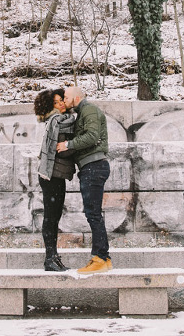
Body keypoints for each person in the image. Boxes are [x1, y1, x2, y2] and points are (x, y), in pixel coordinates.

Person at [56, 86, 112, 274]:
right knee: (93, 213)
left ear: (77, 97)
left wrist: (67, 144)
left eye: (66, 97)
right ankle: (103, 258)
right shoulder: (81, 113)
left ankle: (100, 258)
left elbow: (91, 136)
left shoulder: (89, 110)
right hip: (90, 167)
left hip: (94, 167)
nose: (64, 100)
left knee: (93, 214)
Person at [34, 88, 77, 272]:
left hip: (55, 174)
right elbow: (62, 150)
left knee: (54, 216)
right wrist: (78, 145)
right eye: (57, 102)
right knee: (51, 217)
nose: (61, 104)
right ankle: (50, 258)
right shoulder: (56, 122)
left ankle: (53, 257)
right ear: (50, 107)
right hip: (51, 175)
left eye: (62, 100)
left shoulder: (60, 122)